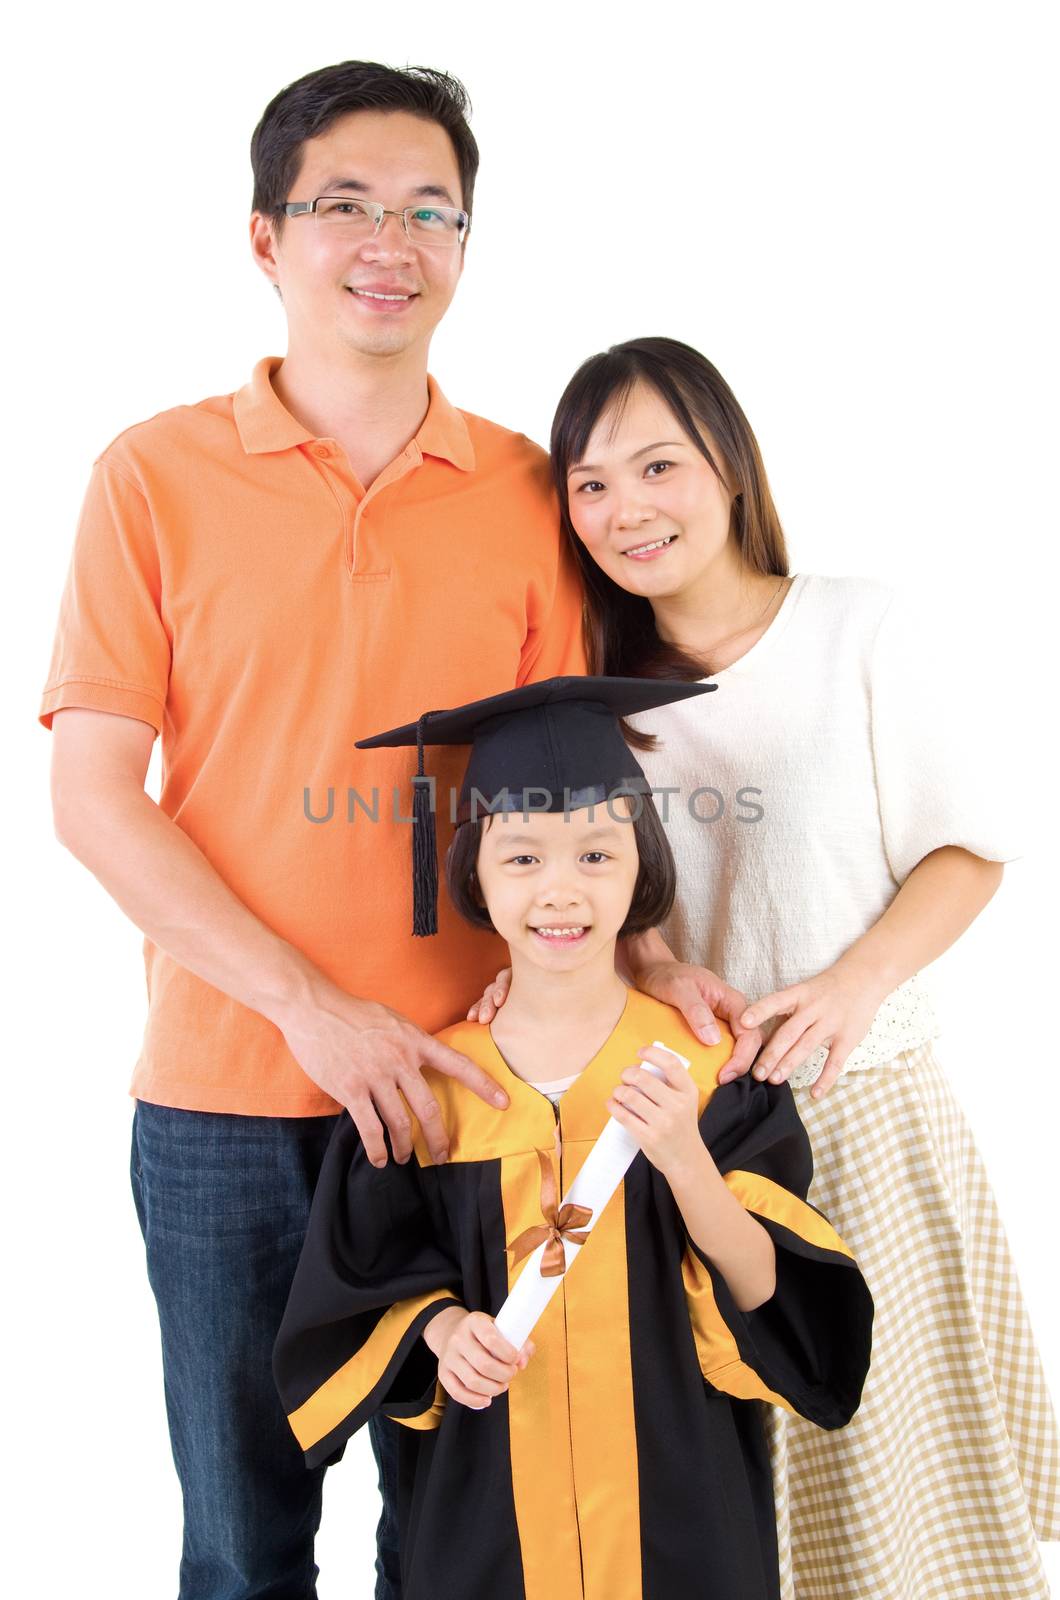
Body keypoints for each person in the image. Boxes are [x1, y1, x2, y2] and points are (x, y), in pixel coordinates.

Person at [38, 66, 758, 1599]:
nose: (392, 239)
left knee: (457, 1534)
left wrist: (653, 958)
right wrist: (315, 1008)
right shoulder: (150, 477)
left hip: (480, 1095)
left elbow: (571, 780)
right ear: (264, 236)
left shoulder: (518, 487)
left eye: (432, 209)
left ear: (464, 245)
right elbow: (94, 794)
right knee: (242, 1543)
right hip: (225, 1102)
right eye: (345, 203)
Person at [476, 335, 1060, 1598]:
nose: (625, 508)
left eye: (657, 465)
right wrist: (609, 964)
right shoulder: (593, 697)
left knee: (895, 1491)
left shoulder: (857, 628)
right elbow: (587, 892)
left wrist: (852, 987)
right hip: (687, 1140)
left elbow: (971, 846)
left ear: (728, 468)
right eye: (589, 484)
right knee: (725, 1500)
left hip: (862, 1118)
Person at [273, 676, 874, 1600]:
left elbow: (775, 1294)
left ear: (645, 870)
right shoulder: (433, 1094)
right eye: (521, 860)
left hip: (682, 1519)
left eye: (598, 853)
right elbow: (357, 1288)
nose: (561, 891)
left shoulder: (708, 1071)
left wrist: (683, 1157)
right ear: (470, 872)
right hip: (484, 1526)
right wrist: (442, 1330)